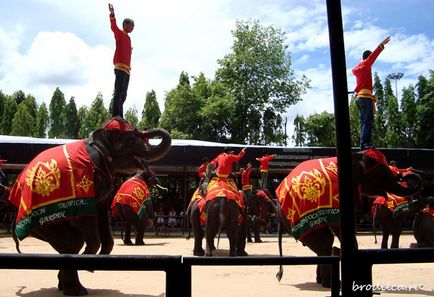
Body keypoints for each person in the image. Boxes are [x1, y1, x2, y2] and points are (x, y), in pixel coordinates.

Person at [352, 36, 391, 150]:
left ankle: (363, 143)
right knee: (368, 121)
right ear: (368, 58)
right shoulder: (365, 65)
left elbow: (359, 85)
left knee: (364, 121)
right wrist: (381, 45)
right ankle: (365, 144)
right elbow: (373, 56)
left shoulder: (360, 68)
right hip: (365, 98)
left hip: (360, 97)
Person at [109, 3, 134, 118]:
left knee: (123, 94)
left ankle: (120, 115)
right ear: (125, 25)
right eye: (131, 25)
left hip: (127, 70)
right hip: (120, 67)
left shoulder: (128, 39)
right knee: (118, 92)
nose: (132, 28)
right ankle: (115, 115)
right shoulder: (120, 34)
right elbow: (114, 27)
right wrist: (112, 15)